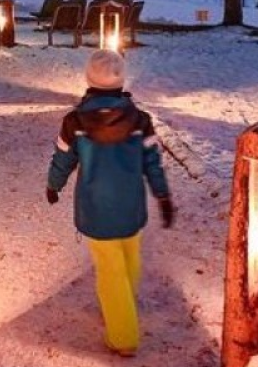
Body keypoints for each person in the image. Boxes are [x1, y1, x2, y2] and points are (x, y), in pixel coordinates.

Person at [46, 49, 174, 358]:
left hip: (96, 208)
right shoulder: (140, 120)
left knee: (110, 271)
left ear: (89, 79)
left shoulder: (74, 122)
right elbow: (153, 162)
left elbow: (63, 158)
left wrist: (54, 184)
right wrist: (163, 195)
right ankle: (123, 310)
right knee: (130, 260)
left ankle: (123, 336)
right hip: (131, 206)